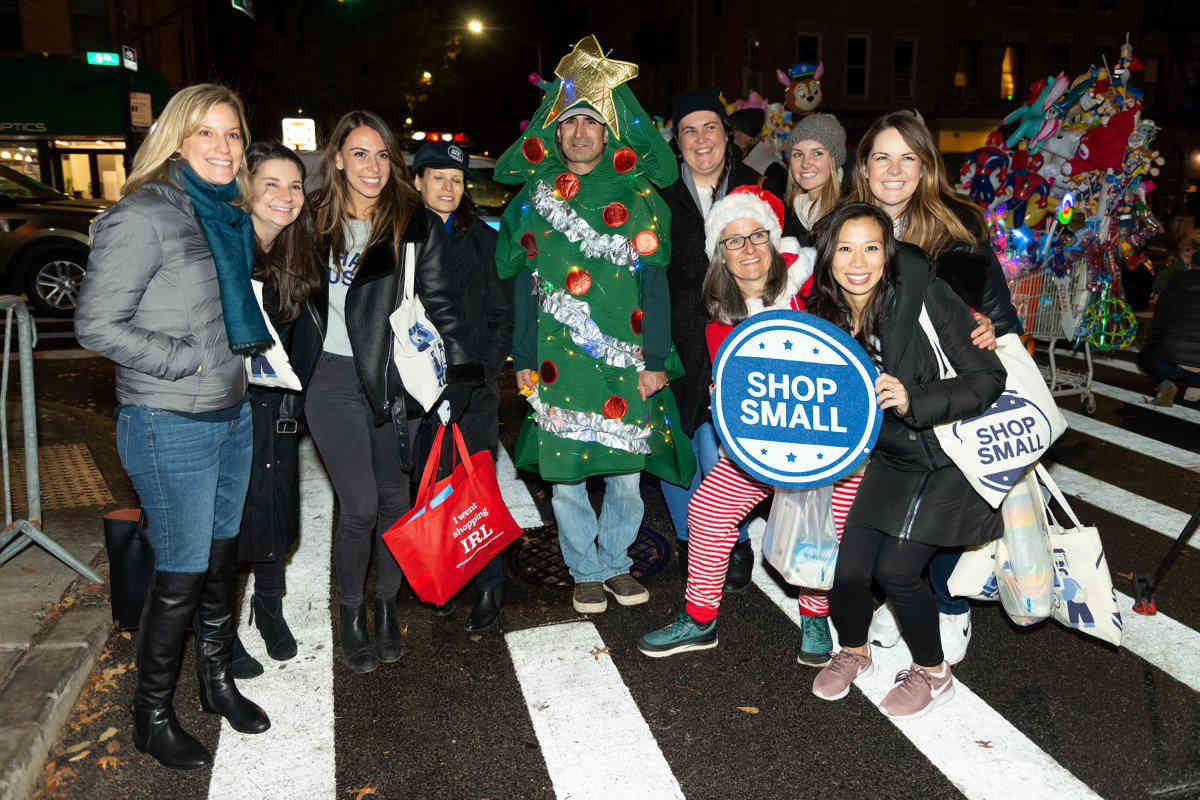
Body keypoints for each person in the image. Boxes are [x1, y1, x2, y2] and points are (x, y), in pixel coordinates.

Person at [75, 84, 270, 770]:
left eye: (233, 135)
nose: (224, 148)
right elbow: (96, 323)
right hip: (167, 420)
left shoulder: (221, 212)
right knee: (181, 573)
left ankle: (215, 682)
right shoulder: (144, 214)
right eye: (207, 134)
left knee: (220, 561)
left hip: (230, 411)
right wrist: (180, 358)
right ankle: (151, 714)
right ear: (176, 141)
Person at [494, 35, 694, 615]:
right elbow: (524, 288)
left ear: (608, 134)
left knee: (628, 476)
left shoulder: (639, 197)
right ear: (555, 134)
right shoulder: (533, 198)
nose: (579, 134)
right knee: (565, 477)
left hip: (626, 361)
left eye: (591, 124)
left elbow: (655, 284)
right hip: (558, 362)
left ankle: (614, 562)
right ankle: (584, 568)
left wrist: (655, 360)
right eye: (569, 125)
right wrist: (524, 359)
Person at [639, 186, 874, 657]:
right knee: (707, 511)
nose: (746, 249)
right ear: (720, 256)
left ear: (774, 242)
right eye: (733, 240)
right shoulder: (716, 320)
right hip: (758, 447)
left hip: (828, 444)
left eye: (756, 236)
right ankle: (700, 618)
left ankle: (814, 615)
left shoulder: (814, 293)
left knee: (827, 524)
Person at [805, 202, 1006, 719]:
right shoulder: (823, 316)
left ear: (888, 254)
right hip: (892, 456)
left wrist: (915, 398)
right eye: (844, 247)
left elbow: (988, 378)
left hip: (948, 455)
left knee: (897, 571)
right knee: (847, 572)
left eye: (871, 247)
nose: (857, 260)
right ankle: (853, 650)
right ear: (828, 257)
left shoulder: (923, 297)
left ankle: (935, 674)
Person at [849, 111, 1022, 666]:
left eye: (908, 157)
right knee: (889, 513)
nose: (894, 170)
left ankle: (949, 604)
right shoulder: (848, 225)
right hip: (880, 402)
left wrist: (993, 328)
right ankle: (903, 601)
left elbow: (998, 312)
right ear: (865, 167)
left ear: (926, 167)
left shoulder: (957, 230)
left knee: (945, 505)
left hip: (950, 401)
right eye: (881, 157)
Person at [302, 109, 448, 674]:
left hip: (392, 378)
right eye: (359, 153)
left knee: (396, 501)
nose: (372, 166)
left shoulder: (411, 221)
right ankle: (350, 613)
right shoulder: (312, 220)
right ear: (337, 158)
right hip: (332, 380)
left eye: (382, 155)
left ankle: (386, 606)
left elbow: (438, 304)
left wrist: (450, 377)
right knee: (359, 505)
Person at [659, 89, 762, 592]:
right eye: (689, 131)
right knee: (676, 446)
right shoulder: (658, 197)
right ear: (677, 141)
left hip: (739, 338)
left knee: (721, 450)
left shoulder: (755, 188)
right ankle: (688, 539)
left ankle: (734, 540)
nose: (701, 140)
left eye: (710, 128)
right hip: (676, 341)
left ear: (727, 134)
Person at [410, 140, 513, 631]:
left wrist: (485, 370)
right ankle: (444, 577)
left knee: (478, 485)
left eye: (456, 180)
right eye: (438, 179)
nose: (449, 188)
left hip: (474, 388)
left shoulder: (485, 241)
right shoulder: (401, 239)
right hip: (417, 390)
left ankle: (491, 583)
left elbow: (500, 315)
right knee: (429, 487)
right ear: (417, 183)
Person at [229, 141, 323, 678]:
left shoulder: (296, 252)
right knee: (227, 524)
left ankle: (269, 609)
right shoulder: (228, 250)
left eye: (294, 187)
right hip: (227, 407)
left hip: (279, 406)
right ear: (247, 188)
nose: (286, 197)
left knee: (275, 511)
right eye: (272, 184)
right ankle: (216, 632)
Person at [1139, 246, 1200, 406]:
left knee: (1146, 356)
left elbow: (1158, 326)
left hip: (1173, 367)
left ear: (1190, 265)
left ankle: (1167, 382)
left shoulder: (1175, 282)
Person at [782, 112, 847, 247]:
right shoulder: (785, 213)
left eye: (817, 153)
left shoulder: (848, 214)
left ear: (834, 160)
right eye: (798, 154)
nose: (805, 163)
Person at [729, 106, 787, 198]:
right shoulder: (735, 155)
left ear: (754, 138)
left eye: (737, 130)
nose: (733, 134)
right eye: (732, 130)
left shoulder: (766, 164)